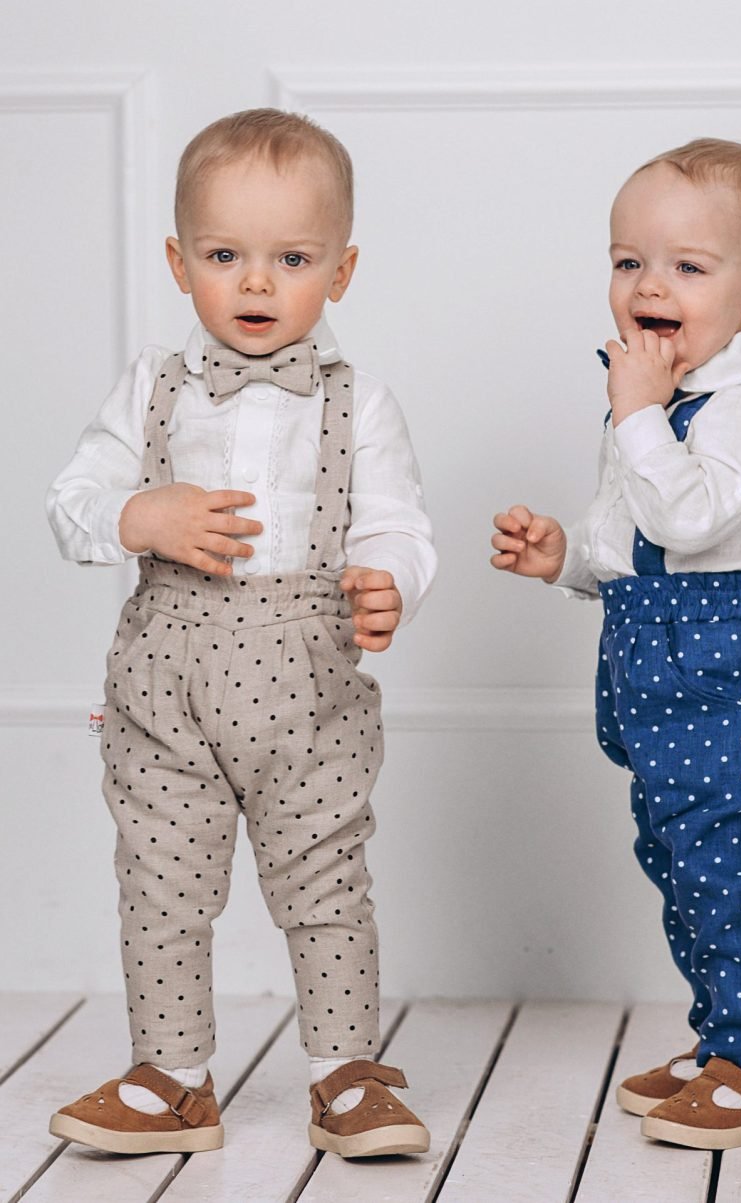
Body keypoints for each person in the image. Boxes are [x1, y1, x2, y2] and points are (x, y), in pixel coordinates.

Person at [46, 108, 436, 1159]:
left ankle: (346, 1071)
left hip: (307, 681)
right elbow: (75, 498)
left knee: (324, 878)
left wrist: (387, 577)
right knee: (161, 877)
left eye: (291, 259)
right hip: (165, 680)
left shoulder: (362, 401)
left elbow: (398, 518)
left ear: (341, 272)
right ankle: (172, 1076)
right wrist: (139, 513)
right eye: (226, 257)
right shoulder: (153, 388)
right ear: (180, 264)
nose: (257, 285)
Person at [491, 138, 741, 1150]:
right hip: (654, 659)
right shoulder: (655, 400)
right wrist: (563, 558)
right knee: (678, 862)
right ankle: (719, 1039)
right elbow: (639, 549)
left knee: (724, 873)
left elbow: (692, 520)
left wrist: (637, 417)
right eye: (628, 259)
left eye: (687, 265)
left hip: (735, 671)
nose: (648, 283)